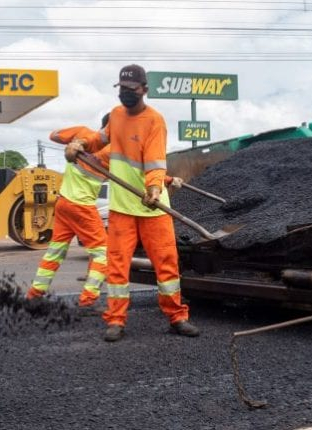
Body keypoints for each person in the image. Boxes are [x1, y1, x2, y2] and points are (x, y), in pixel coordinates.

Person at [66, 64, 200, 342]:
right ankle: (115, 320)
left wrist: (153, 186)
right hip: (121, 208)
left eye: (131, 89)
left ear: (144, 90)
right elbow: (97, 140)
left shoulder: (154, 121)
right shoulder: (115, 116)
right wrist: (78, 143)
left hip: (152, 208)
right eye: (122, 89)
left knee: (166, 265)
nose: (125, 94)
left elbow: (154, 161)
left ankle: (177, 317)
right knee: (117, 265)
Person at [26, 114, 111, 314]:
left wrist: (73, 141)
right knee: (103, 254)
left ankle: (33, 296)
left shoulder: (82, 132)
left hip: (63, 204)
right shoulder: (114, 151)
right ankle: (88, 302)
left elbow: (54, 135)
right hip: (82, 207)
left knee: (55, 252)